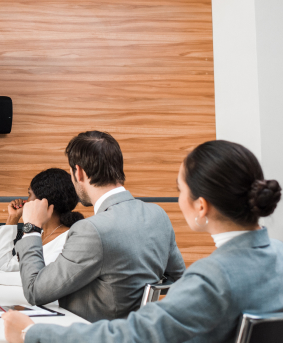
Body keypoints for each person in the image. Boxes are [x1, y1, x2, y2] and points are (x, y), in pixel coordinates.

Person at [3, 140, 283, 343]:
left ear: (201, 206)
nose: (177, 199)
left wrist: (32, 332)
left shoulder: (211, 278)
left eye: (180, 189)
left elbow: (130, 336)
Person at [15, 131, 186, 322]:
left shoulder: (91, 230)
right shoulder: (158, 215)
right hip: (141, 331)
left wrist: (31, 228)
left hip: (92, 334)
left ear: (78, 172)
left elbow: (35, 291)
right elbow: (180, 278)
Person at [0, 168, 84, 285]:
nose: (26, 201)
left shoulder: (68, 240)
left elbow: (34, 278)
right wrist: (12, 219)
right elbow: (3, 268)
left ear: (44, 202)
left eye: (30, 194)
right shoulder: (37, 235)